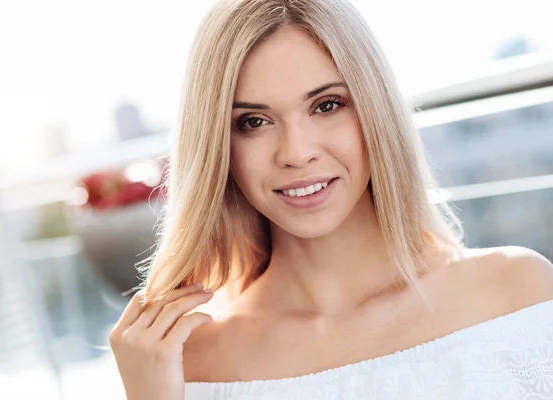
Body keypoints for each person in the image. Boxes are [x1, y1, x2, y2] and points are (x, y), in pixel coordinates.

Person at [108, 1, 553, 399]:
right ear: (218, 148)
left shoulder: (517, 292)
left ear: (374, 108)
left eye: (326, 105)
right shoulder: (188, 361)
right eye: (253, 122)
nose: (297, 152)